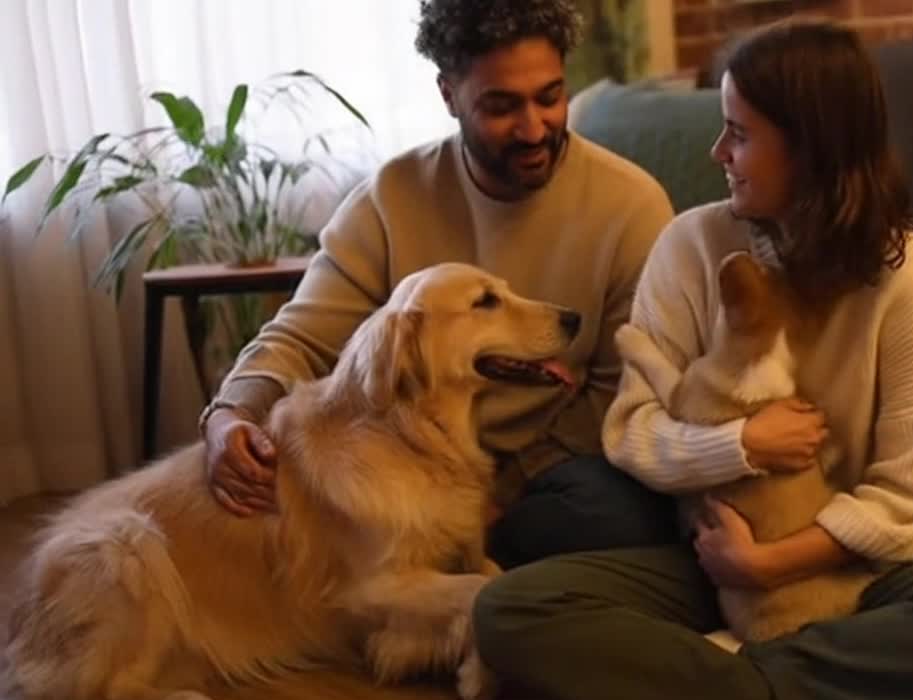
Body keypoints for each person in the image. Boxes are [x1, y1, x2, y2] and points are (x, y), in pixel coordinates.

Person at [472, 19, 913, 700]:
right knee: (510, 609)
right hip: (709, 564)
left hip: (858, 576)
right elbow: (632, 429)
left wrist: (770, 564)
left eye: (739, 132)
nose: (716, 150)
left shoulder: (910, 279)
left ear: (812, 147)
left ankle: (739, 689)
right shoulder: (692, 244)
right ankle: (811, 690)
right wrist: (739, 447)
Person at [199, 0, 680, 567]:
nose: (534, 128)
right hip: (403, 468)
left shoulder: (633, 205)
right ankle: (428, 585)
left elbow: (618, 391)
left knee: (623, 509)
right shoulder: (390, 198)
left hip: (549, 469)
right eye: (501, 106)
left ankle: (427, 582)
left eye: (550, 97)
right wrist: (230, 415)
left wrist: (492, 493)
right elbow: (301, 339)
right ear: (449, 94)